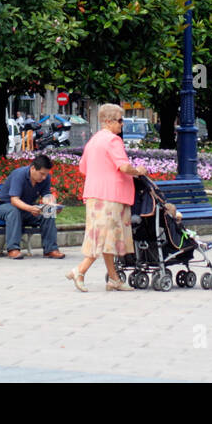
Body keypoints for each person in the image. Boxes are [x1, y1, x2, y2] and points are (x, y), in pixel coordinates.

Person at [66, 104, 146, 292]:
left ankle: (114, 279)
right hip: (111, 195)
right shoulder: (113, 140)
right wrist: (138, 171)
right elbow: (124, 167)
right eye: (120, 120)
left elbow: (82, 168)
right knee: (104, 237)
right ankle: (80, 270)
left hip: (94, 194)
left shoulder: (94, 140)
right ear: (108, 121)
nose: (122, 124)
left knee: (104, 236)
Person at [0, 153, 62, 259]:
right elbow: (14, 200)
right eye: (41, 174)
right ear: (33, 168)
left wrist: (51, 205)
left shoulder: (45, 178)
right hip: (5, 206)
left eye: (46, 174)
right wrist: (30, 208)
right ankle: (13, 249)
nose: (44, 177)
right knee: (14, 211)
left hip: (26, 208)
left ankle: (51, 249)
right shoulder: (19, 175)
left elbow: (46, 196)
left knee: (48, 213)